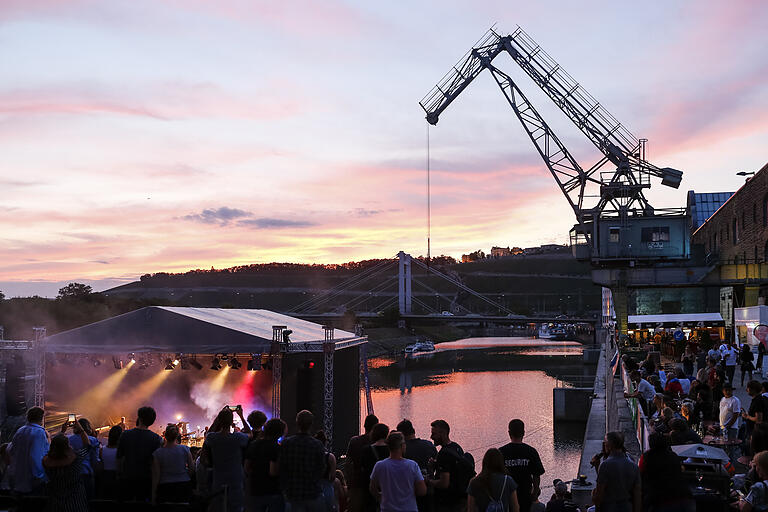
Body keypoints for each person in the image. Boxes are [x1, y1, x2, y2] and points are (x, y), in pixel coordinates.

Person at [202, 406, 250, 512]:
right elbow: (249, 434)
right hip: (235, 478)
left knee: (218, 507)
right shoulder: (238, 438)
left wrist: (217, 419)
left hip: (218, 478)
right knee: (236, 508)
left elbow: (207, 435)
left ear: (219, 420)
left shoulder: (212, 438)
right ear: (231, 422)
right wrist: (241, 416)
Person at [279, 410, 327, 512]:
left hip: (293, 493)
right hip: (313, 492)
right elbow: (322, 468)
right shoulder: (318, 445)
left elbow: (282, 468)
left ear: (297, 423)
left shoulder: (287, 443)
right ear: (311, 424)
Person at [369, 431, 427, 512]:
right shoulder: (412, 465)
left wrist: (380, 497)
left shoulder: (380, 466)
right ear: (402, 446)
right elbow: (422, 491)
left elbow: (372, 488)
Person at [117, 405, 163, 502]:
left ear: (139, 418)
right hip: (146, 480)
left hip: (127, 478)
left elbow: (119, 458)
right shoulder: (156, 438)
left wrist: (120, 476)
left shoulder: (125, 434)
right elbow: (155, 466)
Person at [637, 433, 693, 512]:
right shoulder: (673, 455)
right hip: (678, 495)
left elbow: (640, 474)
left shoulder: (647, 456)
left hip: (657, 497)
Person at [499, 419, 544, 512]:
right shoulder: (531, 451)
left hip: (506, 495)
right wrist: (535, 492)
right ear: (523, 433)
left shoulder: (501, 452)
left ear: (509, 433)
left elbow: (495, 474)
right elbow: (536, 474)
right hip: (525, 495)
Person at [428, 419, 472, 512]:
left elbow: (444, 483)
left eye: (434, 434)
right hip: (461, 499)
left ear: (443, 433)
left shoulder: (443, 454)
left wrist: (428, 481)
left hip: (448, 503)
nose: (431, 437)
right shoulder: (456, 447)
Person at [245, 418, 287, 512]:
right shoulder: (276, 447)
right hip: (273, 491)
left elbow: (246, 467)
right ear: (279, 432)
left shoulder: (253, 445)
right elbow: (273, 471)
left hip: (255, 490)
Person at [591, 432, 640, 512]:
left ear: (609, 446)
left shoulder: (605, 465)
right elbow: (637, 493)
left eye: (605, 442)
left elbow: (599, 493)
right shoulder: (633, 465)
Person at [7, 406, 49, 496]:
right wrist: (40, 477)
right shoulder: (39, 432)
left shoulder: (20, 430)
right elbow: (36, 456)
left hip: (18, 478)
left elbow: (11, 451)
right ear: (41, 418)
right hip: (31, 480)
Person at [397, 419, 437, 512]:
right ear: (413, 431)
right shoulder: (429, 445)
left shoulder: (401, 449)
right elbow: (436, 463)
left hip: (408, 493)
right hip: (428, 490)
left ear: (401, 434)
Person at [43, 432, 89, 512]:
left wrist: (62, 433)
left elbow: (55, 447)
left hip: (55, 505)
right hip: (76, 503)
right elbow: (87, 446)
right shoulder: (76, 459)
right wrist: (81, 430)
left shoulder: (46, 463)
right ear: (67, 447)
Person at [152, 424, 193, 504]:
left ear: (165, 436)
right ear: (177, 436)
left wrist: (153, 494)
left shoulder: (157, 453)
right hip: (183, 486)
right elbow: (192, 468)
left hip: (165, 487)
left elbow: (156, 475)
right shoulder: (185, 449)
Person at [467, 448, 518, 512]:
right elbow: (515, 508)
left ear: (484, 462)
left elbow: (471, 509)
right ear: (501, 462)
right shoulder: (508, 480)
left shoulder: (474, 482)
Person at [346, 414, 379, 512]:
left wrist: (350, 481)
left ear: (364, 426)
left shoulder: (354, 441)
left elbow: (348, 463)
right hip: (374, 485)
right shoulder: (378, 444)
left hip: (357, 483)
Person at [64, 417, 100, 499]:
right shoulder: (93, 440)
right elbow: (95, 460)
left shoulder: (68, 439)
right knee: (88, 500)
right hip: (86, 473)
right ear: (88, 427)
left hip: (71, 474)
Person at [361, 423, 391, 512]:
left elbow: (363, 467)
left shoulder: (366, 450)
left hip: (370, 488)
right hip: (387, 488)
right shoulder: (391, 450)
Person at [97, 424, 122, 499]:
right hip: (117, 478)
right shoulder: (121, 451)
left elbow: (100, 465)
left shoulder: (102, 449)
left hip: (105, 477)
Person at [743, 380, 767, 445]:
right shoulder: (757, 399)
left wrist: (747, 417)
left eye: (748, 388)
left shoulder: (758, 401)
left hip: (755, 431)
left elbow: (758, 419)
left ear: (753, 389)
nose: (746, 390)